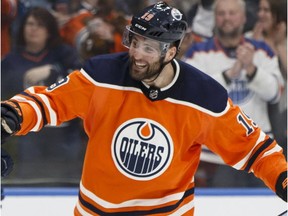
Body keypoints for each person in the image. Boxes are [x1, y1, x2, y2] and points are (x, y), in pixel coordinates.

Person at [1, 1, 287, 215]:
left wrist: (284, 179)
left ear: (171, 52)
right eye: (134, 42)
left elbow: (256, 150)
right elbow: (49, 101)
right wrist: (12, 115)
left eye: (149, 48)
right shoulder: (102, 75)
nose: (136, 54)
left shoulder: (203, 96)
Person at [183, 0, 285, 187]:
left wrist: (251, 68)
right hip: (213, 156)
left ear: (244, 18)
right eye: (221, 14)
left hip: (258, 152)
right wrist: (229, 74)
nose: (226, 18)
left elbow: (275, 94)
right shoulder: (197, 53)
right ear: (215, 18)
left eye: (232, 13)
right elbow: (191, 96)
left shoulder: (262, 51)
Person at [1, 7, 85, 182]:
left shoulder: (65, 54)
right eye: (30, 24)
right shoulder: (10, 61)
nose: (33, 29)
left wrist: (55, 70)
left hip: (65, 135)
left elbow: (84, 80)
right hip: (27, 137)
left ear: (49, 30)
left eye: (40, 25)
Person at [245, 0, 287, 157]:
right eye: (260, 10)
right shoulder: (248, 38)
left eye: (266, 10)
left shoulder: (285, 41)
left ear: (278, 14)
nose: (261, 14)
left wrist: (281, 44)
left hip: (282, 107)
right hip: (255, 103)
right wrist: (255, 43)